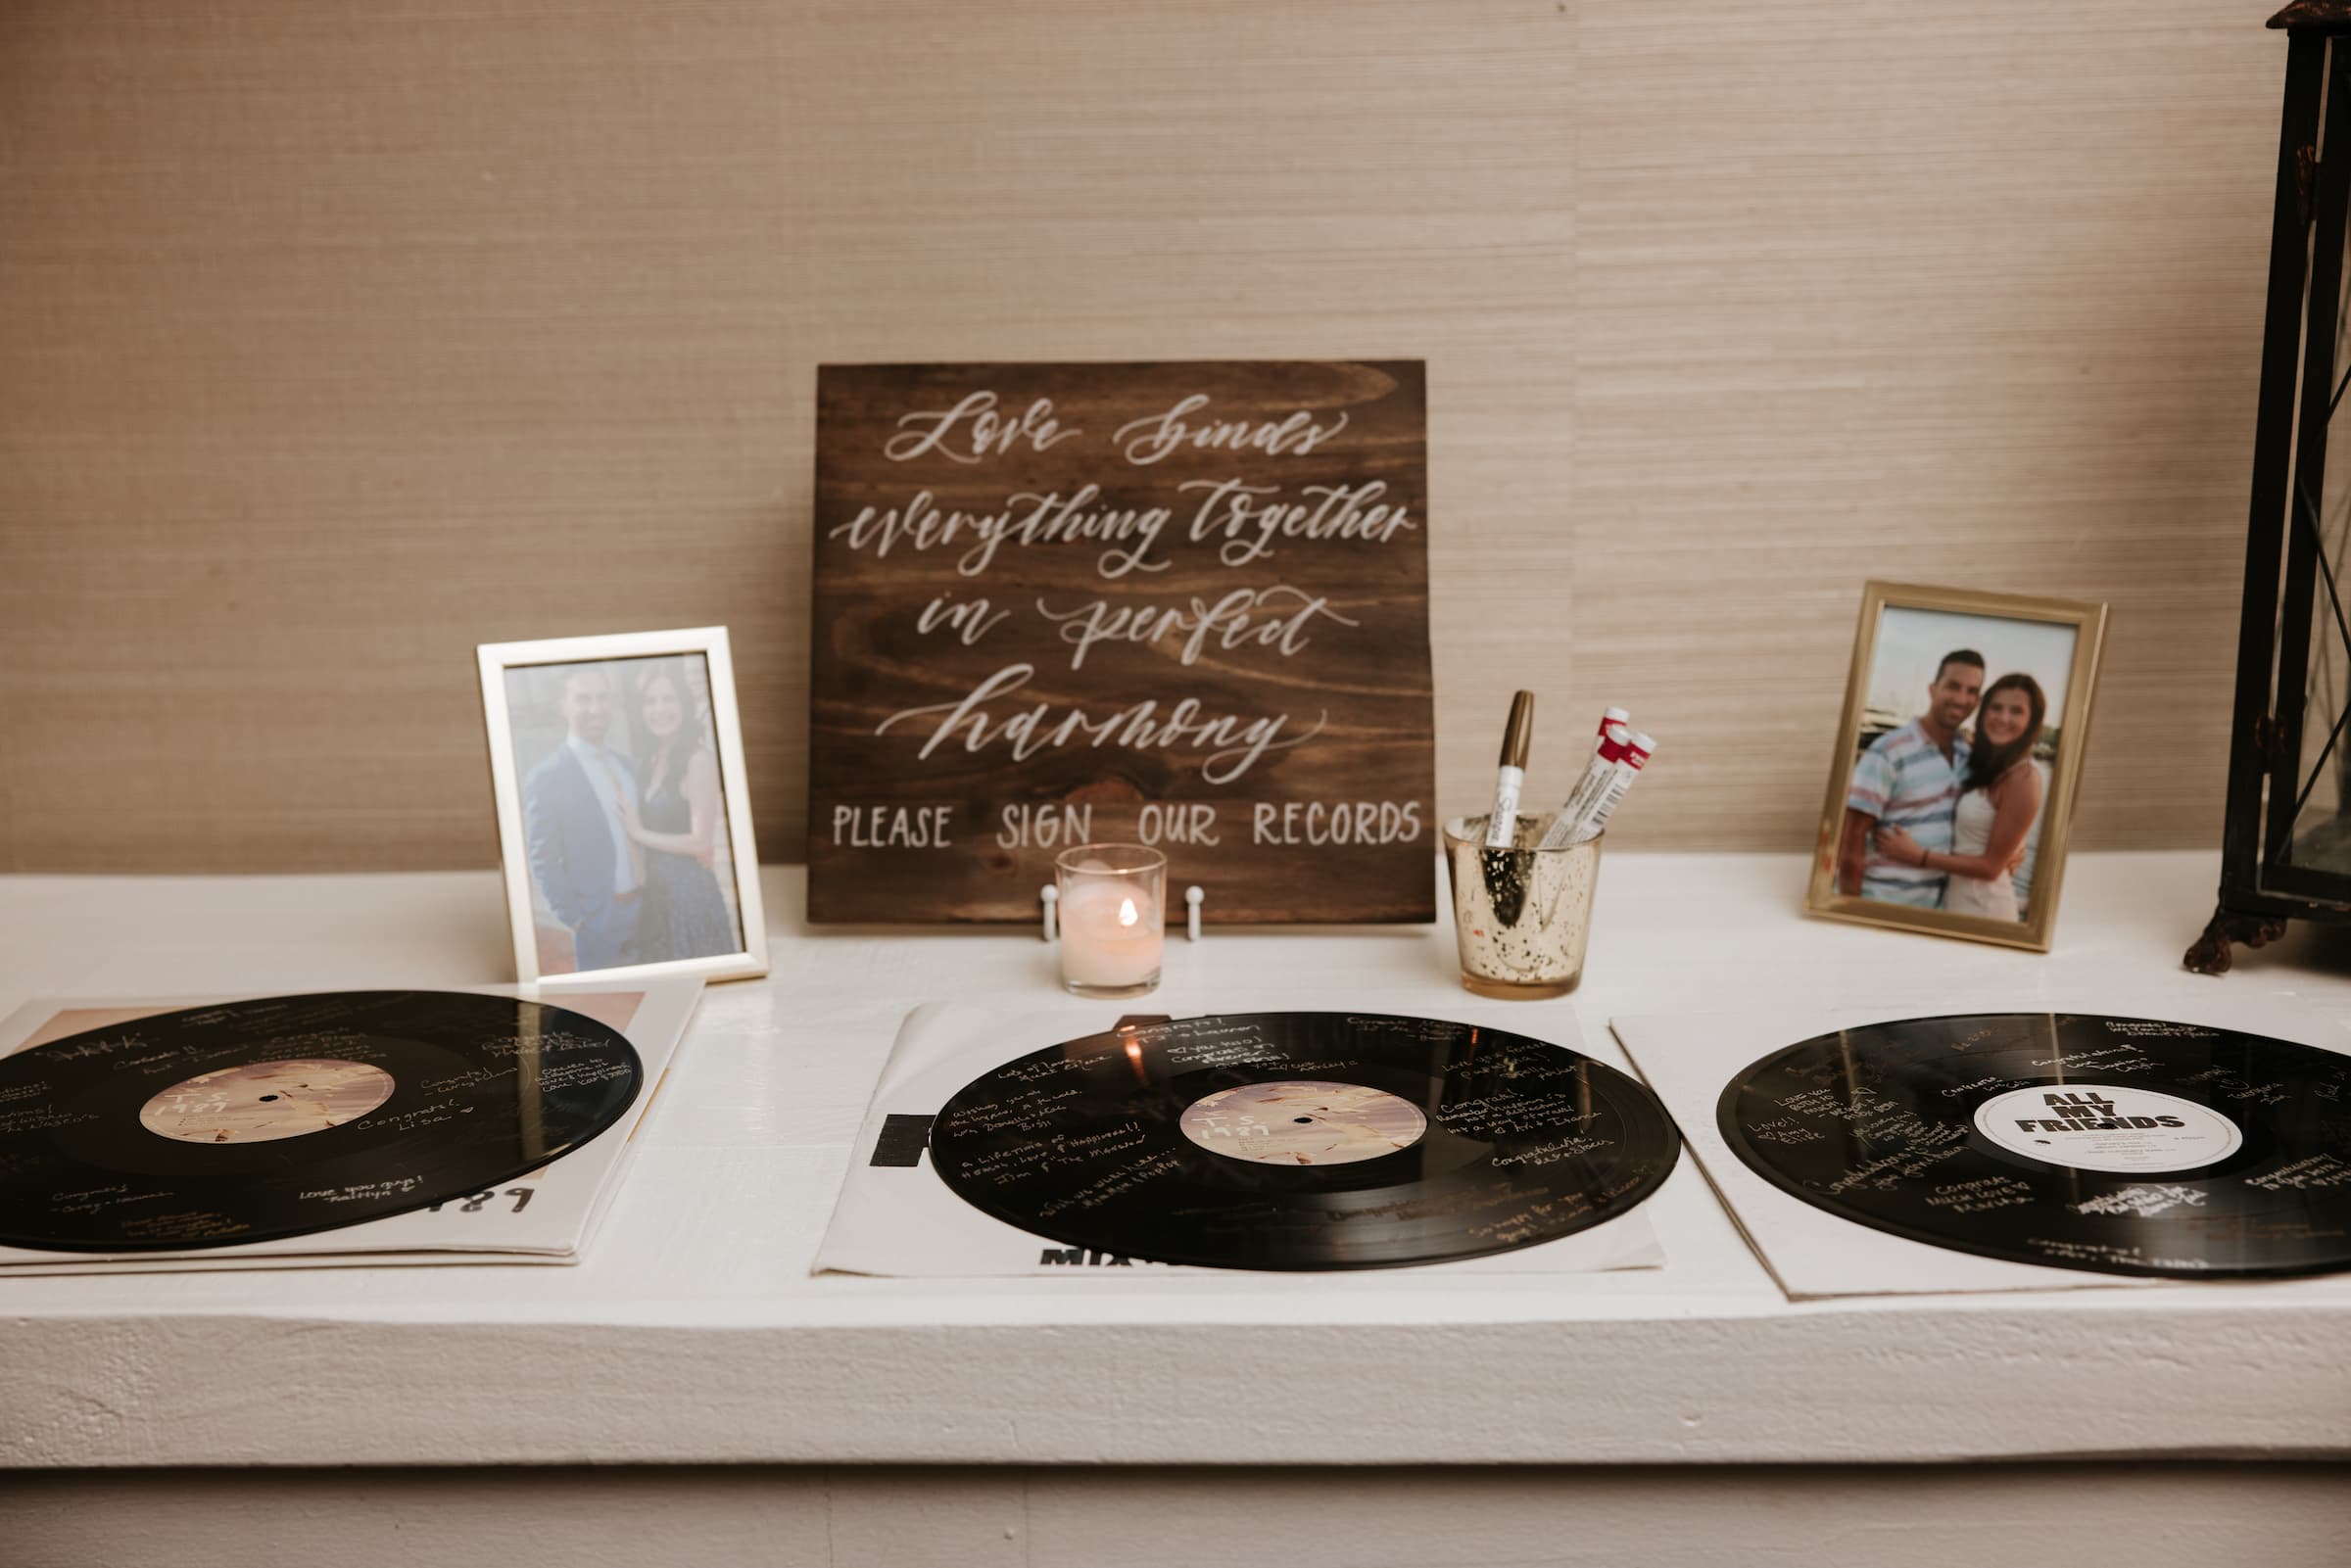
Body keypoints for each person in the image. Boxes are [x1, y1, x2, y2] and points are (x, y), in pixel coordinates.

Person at [1875, 673, 2046, 922]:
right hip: (1953, 902)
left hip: (1984, 909)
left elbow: (1990, 868)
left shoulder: (2024, 777)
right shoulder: (1985, 762)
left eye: (2016, 711)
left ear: (2032, 721)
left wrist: (1918, 856)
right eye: (1996, 708)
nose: (2003, 718)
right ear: (1983, 711)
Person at [610, 663, 738, 964]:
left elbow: (701, 843)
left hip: (689, 898)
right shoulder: (648, 763)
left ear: (684, 704)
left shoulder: (697, 759)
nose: (659, 709)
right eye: (650, 701)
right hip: (656, 897)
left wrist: (638, 832)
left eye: (668, 699)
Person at [1837, 649, 1982, 906]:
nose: (1962, 698)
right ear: (1933, 689)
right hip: (1881, 901)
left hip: (1933, 909)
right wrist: (1853, 912)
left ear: (1977, 700)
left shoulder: (1967, 756)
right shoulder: (1888, 751)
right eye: (1953, 687)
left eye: (1971, 691)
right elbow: (1851, 837)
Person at [521, 667, 644, 972]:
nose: (596, 708)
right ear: (563, 705)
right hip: (599, 921)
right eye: (583, 699)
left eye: (603, 698)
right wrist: (575, 920)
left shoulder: (626, 767)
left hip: (648, 913)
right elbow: (542, 857)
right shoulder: (547, 777)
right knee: (604, 1014)